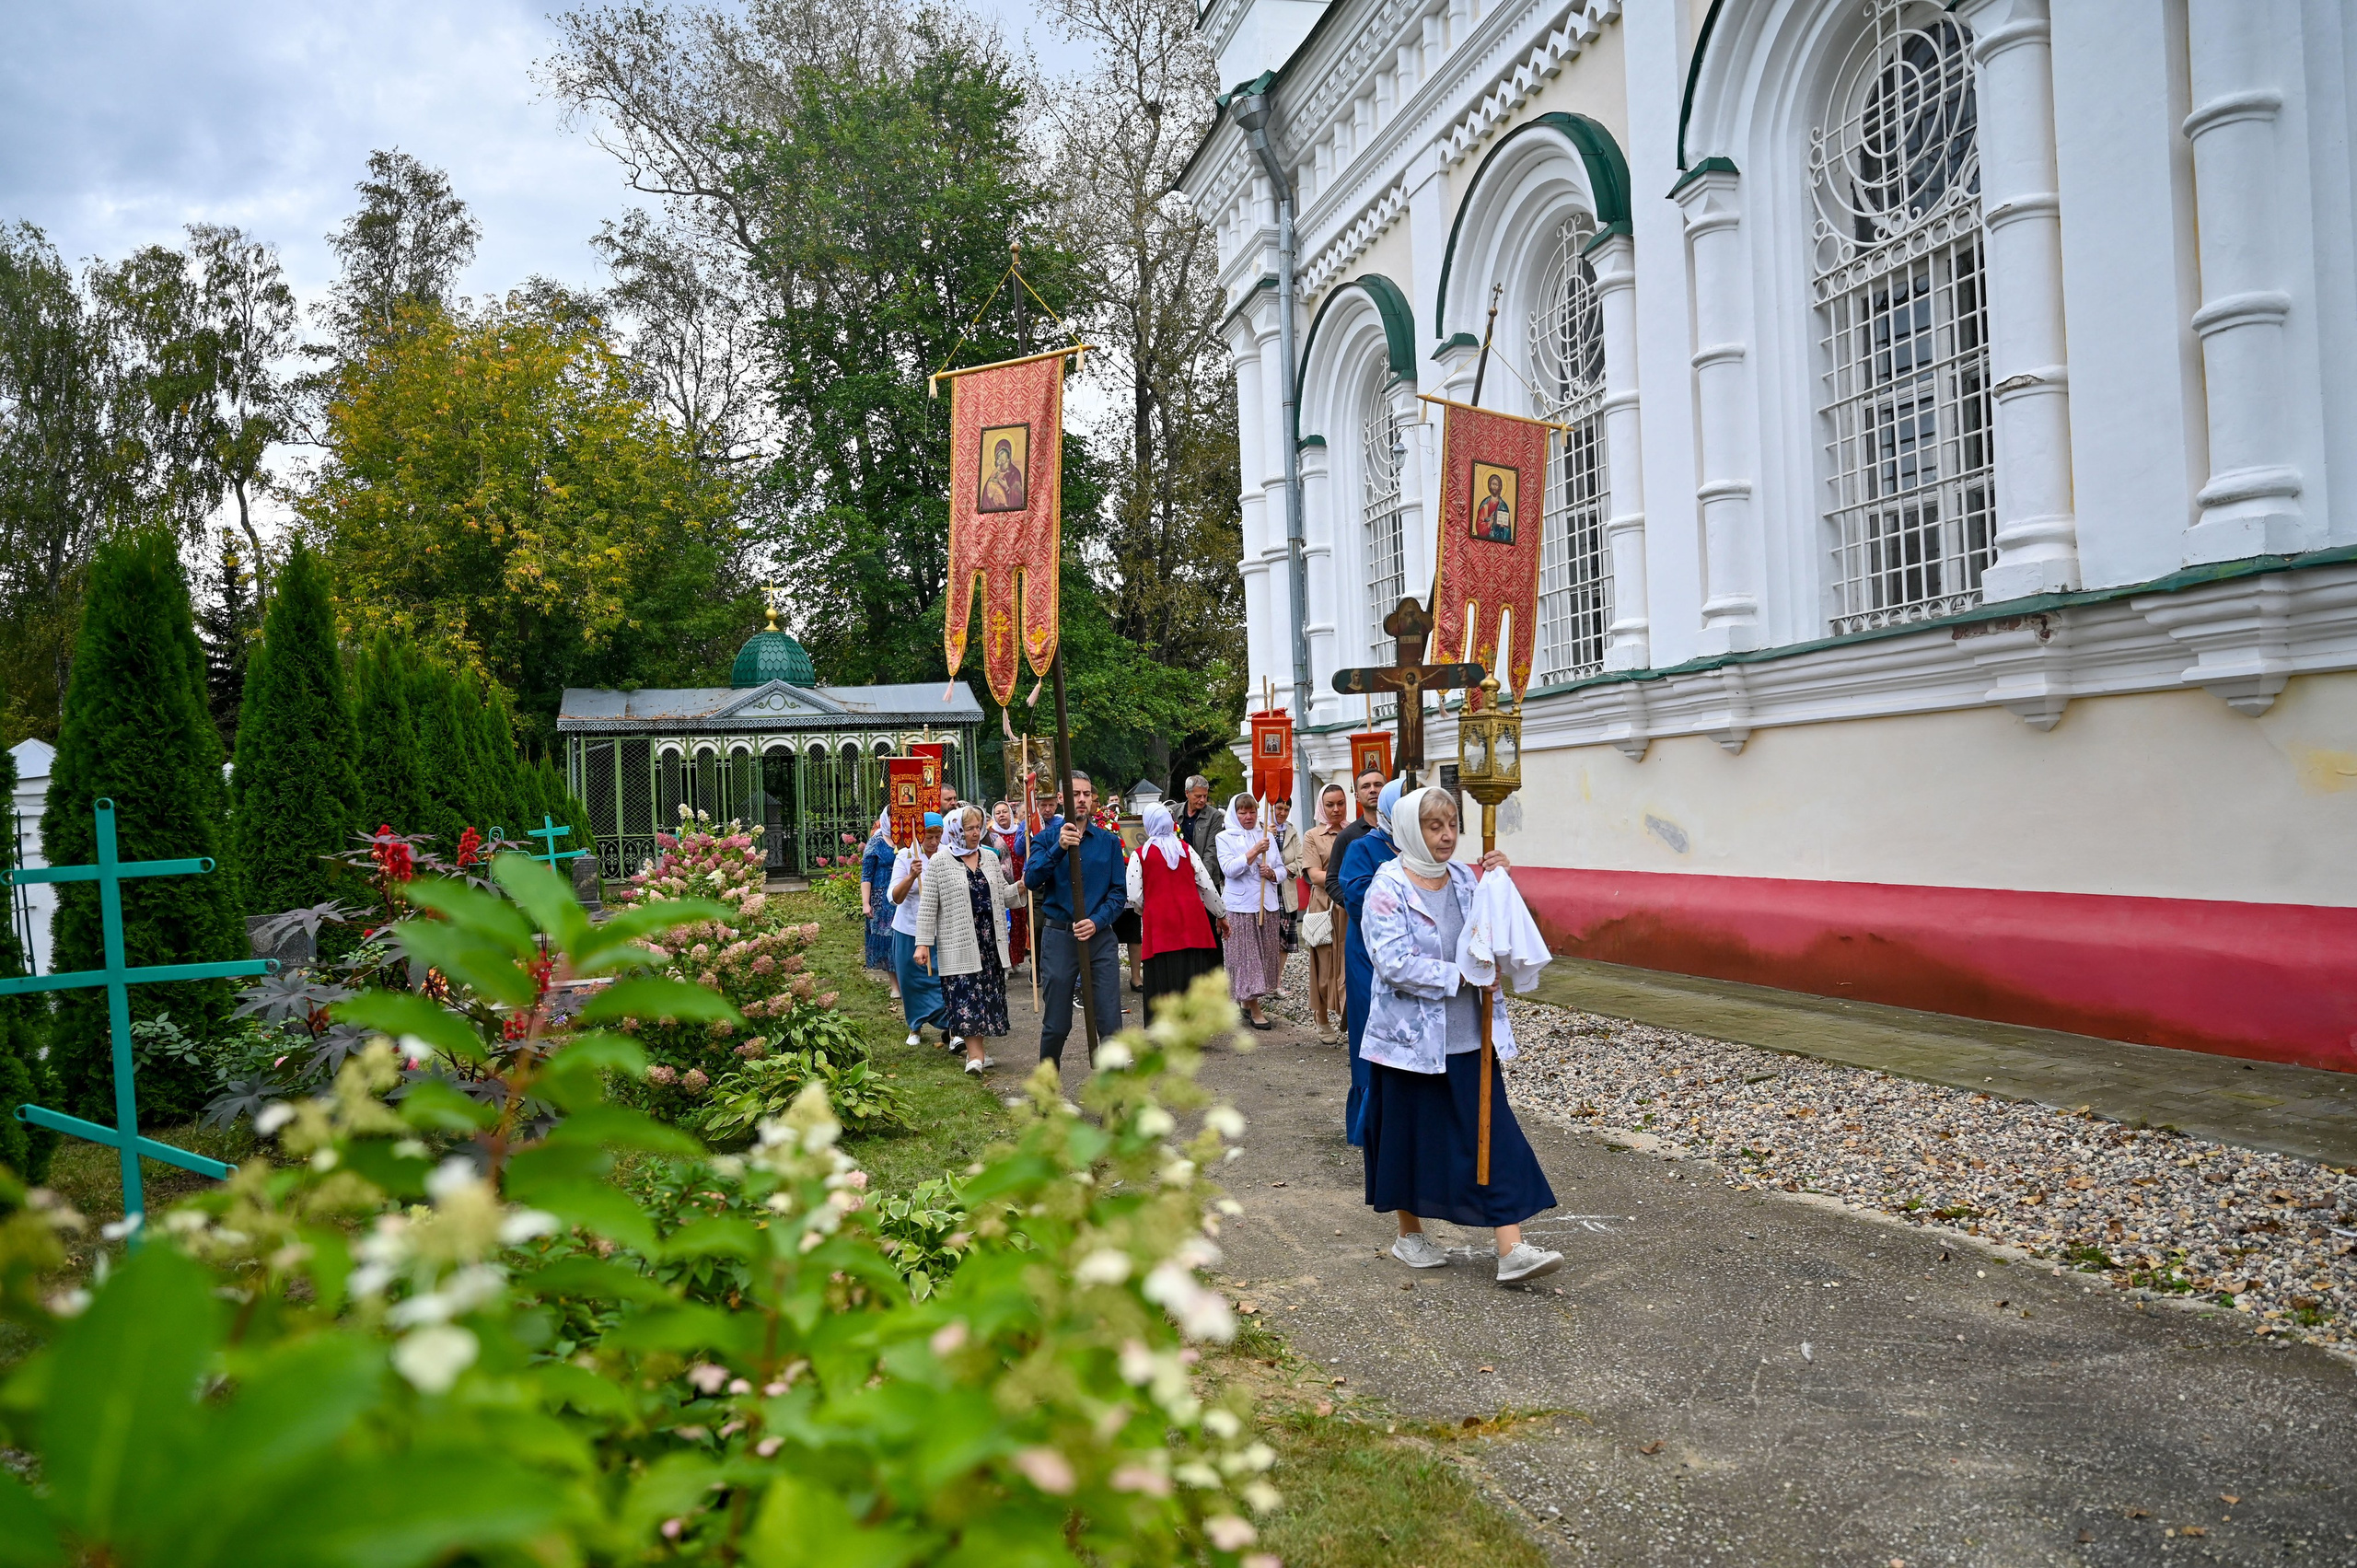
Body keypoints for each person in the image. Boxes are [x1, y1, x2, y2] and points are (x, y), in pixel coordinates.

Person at [1360, 786, 1562, 1285]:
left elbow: (1487, 933)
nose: (1447, 835)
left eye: (1452, 824)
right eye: (1434, 826)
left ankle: (1511, 1249)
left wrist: (1499, 880)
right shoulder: (1386, 889)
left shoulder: (1464, 880)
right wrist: (1459, 975)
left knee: (1491, 1135)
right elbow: (1393, 963)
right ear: (1411, 830)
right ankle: (1410, 1235)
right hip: (1409, 1043)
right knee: (1408, 1141)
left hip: (1471, 1035)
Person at [1025, 771, 1128, 1067]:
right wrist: (1060, 848)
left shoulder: (1108, 842)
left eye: (1086, 795)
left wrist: (1096, 920)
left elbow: (1118, 894)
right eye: (1075, 794)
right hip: (1059, 939)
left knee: (1110, 1025)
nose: (1081, 800)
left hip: (1099, 938)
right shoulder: (1044, 840)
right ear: (1061, 799)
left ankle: (1113, 1103)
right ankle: (1046, 1093)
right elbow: (1031, 879)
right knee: (1056, 1025)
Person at [914, 806, 1025, 1075]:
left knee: (985, 998)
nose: (976, 833)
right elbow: (929, 905)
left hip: (989, 941)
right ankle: (974, 1056)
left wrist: (1021, 887)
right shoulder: (941, 861)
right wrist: (922, 943)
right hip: (959, 941)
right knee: (967, 997)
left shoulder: (989, 856)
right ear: (955, 830)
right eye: (969, 829)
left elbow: (1002, 896)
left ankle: (979, 1053)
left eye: (978, 827)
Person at [1335, 779, 1402, 1144]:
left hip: (1411, 961)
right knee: (1372, 1033)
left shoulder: (1421, 851)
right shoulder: (1362, 847)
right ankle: (1372, 1121)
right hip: (1369, 958)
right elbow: (1359, 900)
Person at [1127, 801, 1225, 1014]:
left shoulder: (1140, 854)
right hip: (1193, 920)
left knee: (1163, 972)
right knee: (1192, 971)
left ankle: (1166, 1027)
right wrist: (1221, 914)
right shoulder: (1186, 849)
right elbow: (1206, 885)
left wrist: (1145, 909)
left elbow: (1134, 895)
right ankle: (1193, 1025)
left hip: (1160, 923)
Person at [1216, 794, 1285, 1030]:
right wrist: (1254, 852)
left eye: (1252, 812)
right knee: (1248, 959)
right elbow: (1229, 869)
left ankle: (1246, 1002)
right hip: (1241, 908)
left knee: (1264, 956)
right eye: (1243, 812)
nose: (1248, 817)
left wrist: (1273, 873)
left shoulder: (1266, 835)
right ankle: (1255, 1009)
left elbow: (1282, 867)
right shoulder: (1224, 837)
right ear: (1235, 813)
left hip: (1266, 905)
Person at [888, 812, 947, 1046]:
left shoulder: (946, 854)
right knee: (911, 982)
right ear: (920, 834)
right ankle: (915, 1027)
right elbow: (895, 897)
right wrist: (912, 875)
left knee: (941, 980)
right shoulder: (905, 856)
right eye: (929, 836)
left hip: (937, 930)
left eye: (938, 836)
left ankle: (950, 1025)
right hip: (908, 929)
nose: (934, 842)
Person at [1301, 784, 1350, 1035]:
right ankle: (1321, 1017)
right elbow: (1315, 875)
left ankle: (1349, 1017)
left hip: (1350, 906)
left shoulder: (1355, 831)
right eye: (1329, 804)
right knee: (1324, 963)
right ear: (1322, 806)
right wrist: (1352, 877)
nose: (1336, 809)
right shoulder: (1312, 836)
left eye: (1340, 803)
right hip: (1325, 905)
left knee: (1347, 961)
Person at [987, 799, 1030, 973]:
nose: (1001, 815)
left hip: (1019, 879)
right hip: (1001, 881)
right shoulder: (991, 835)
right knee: (1005, 923)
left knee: (1019, 921)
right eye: (998, 813)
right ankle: (1005, 962)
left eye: (1004, 812)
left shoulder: (1018, 831)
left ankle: (1015, 960)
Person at [859, 811, 899, 998]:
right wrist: (866, 903)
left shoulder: (909, 839)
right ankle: (895, 986)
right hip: (882, 899)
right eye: (894, 817)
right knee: (888, 940)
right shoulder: (876, 842)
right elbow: (866, 876)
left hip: (904, 895)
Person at [1178, 774, 1224, 895]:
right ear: (1187, 793)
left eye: (1205, 796)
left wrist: (1200, 879)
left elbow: (1211, 851)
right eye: (1198, 796)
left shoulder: (1214, 816)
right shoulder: (1173, 812)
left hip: (1206, 880)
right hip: (1179, 878)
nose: (1203, 800)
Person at [1270, 796, 1305, 954]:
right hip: (1265, 892)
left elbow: (1300, 861)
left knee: (1284, 942)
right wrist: (1266, 836)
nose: (1282, 813)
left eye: (1286, 809)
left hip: (1285, 893)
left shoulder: (1291, 831)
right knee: (1268, 938)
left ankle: (1277, 978)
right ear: (1271, 808)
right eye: (1279, 808)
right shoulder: (1259, 829)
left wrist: (1281, 872)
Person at [980, 436, 1027, 512]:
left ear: (1008, 455)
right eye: (998, 455)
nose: (999, 456)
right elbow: (985, 500)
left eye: (1001, 453)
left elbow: (1019, 499)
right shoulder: (995, 473)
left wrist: (1007, 487)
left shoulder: (1015, 473)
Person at [1472, 470, 1514, 542]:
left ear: (1500, 487)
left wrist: (1502, 528)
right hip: (1485, 541)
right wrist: (1489, 523)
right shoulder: (1485, 503)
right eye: (1493, 484)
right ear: (1489, 486)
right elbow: (1479, 524)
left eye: (1496, 484)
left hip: (1499, 541)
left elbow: (1507, 530)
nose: (1494, 487)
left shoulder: (1503, 506)